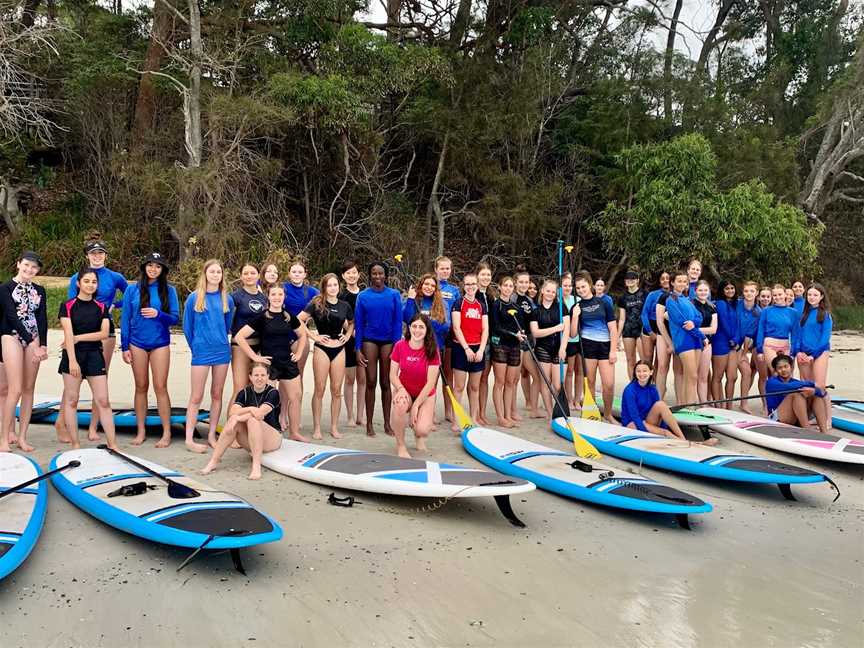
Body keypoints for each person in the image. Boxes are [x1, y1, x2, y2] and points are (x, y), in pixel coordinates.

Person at [57, 239, 128, 443]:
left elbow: (131, 295)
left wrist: (115, 304)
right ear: (87, 255)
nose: (97, 256)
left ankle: (93, 427)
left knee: (100, 381)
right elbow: (71, 307)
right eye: (93, 253)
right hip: (79, 328)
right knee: (74, 380)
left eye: (100, 253)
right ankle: (62, 423)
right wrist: (70, 339)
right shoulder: (76, 278)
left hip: (103, 327)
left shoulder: (115, 277)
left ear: (105, 255)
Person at [234, 283, 308, 441]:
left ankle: (294, 432)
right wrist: (255, 357)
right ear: (268, 296)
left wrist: (300, 352)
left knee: (296, 396)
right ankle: (270, 433)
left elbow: (302, 335)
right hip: (269, 364)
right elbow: (239, 337)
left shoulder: (288, 316)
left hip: (287, 362)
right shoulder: (262, 316)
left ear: (284, 297)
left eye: (280, 295)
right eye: (273, 294)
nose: (277, 298)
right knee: (269, 399)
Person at [120, 252, 180, 447]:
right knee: (140, 386)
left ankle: (166, 432)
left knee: (160, 387)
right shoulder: (132, 290)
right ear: (144, 267)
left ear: (162, 270)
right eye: (150, 265)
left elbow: (174, 318)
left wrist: (158, 314)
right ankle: (141, 430)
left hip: (160, 343)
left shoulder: (169, 290)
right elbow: (125, 319)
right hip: (137, 342)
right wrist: (125, 345)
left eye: (158, 266)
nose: (153, 269)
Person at [182, 259, 234, 453]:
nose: (215, 275)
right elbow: (187, 327)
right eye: (212, 271)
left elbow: (227, 325)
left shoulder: (226, 299)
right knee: (196, 396)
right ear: (205, 274)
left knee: (217, 394)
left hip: (221, 351)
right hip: (201, 352)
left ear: (222, 275)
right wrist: (196, 347)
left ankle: (212, 435)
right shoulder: (195, 297)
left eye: (218, 272)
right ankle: (189, 438)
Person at [201, 362, 284, 480]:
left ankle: (256, 466)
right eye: (256, 375)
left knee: (252, 420)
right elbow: (232, 411)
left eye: (262, 375)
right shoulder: (244, 392)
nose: (259, 378)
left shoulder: (273, 393)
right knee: (237, 420)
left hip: (272, 438)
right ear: (250, 377)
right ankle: (214, 461)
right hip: (252, 439)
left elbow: (260, 413)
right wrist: (249, 409)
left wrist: (238, 417)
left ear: (267, 376)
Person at [0, 252, 48, 453]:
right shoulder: (5, 288)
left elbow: (42, 318)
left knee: (29, 389)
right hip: (11, 336)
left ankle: (22, 437)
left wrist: (42, 344)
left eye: (34, 267)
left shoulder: (40, 290)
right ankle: (4, 439)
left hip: (34, 337)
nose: (29, 270)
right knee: (15, 388)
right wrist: (30, 342)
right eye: (26, 265)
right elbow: (11, 316)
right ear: (18, 264)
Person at [298, 273, 354, 440]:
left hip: (339, 349)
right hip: (322, 348)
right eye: (329, 285)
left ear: (339, 286)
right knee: (320, 389)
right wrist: (313, 336)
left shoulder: (345, 305)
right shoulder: (316, 303)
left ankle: (334, 427)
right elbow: (298, 320)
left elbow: (352, 323)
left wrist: (348, 335)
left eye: (335, 285)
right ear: (324, 287)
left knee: (336, 391)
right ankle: (317, 428)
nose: (332, 288)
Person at [355, 262, 403, 437]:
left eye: (380, 273)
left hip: (389, 341)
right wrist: (357, 348)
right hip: (369, 340)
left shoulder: (394, 295)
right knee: (371, 381)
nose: (377, 276)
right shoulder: (363, 296)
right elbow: (359, 324)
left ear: (386, 275)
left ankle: (387, 424)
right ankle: (369, 424)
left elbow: (398, 322)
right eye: (374, 273)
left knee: (385, 382)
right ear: (370, 275)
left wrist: (398, 347)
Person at [620, 361, 715, 443]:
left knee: (661, 405)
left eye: (644, 371)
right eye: (638, 371)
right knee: (666, 433)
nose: (641, 374)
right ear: (635, 373)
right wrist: (649, 433)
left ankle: (682, 438)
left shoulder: (653, 389)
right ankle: (691, 443)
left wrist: (662, 429)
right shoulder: (630, 390)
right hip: (633, 423)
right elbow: (634, 416)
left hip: (648, 420)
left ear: (651, 372)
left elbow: (661, 412)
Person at [389, 314, 440, 458]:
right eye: (414, 326)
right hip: (404, 390)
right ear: (409, 328)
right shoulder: (400, 345)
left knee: (422, 430)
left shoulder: (432, 349)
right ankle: (401, 446)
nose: (417, 330)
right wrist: (401, 389)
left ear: (427, 330)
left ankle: (418, 436)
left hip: (425, 394)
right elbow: (392, 375)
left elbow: (431, 382)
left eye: (421, 327)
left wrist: (416, 406)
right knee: (400, 404)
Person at [571, 271, 617, 422]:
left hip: (605, 347)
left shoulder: (604, 303)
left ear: (590, 285)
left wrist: (613, 351)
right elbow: (572, 334)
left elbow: (613, 328)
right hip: (587, 347)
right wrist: (575, 316)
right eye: (578, 288)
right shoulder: (576, 307)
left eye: (583, 286)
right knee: (589, 382)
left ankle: (608, 414)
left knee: (608, 384)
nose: (581, 290)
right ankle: (592, 412)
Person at [450, 272, 489, 432]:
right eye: (468, 284)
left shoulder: (481, 305)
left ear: (477, 285)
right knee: (459, 386)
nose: (471, 287)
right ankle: (456, 420)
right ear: (463, 286)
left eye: (473, 284)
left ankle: (473, 418)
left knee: (474, 387)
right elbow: (456, 327)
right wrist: (466, 348)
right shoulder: (458, 303)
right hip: (461, 348)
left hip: (478, 348)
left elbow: (486, 329)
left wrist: (480, 350)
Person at [664, 271, 708, 407]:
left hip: (695, 340)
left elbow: (699, 317)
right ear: (672, 282)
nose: (682, 284)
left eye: (685, 281)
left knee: (691, 377)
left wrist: (694, 323)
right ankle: (690, 406)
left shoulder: (688, 300)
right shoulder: (671, 300)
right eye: (679, 281)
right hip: (683, 340)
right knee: (692, 375)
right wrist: (702, 335)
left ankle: (687, 405)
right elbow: (682, 322)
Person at [528, 279, 568, 422]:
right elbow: (536, 333)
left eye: (553, 291)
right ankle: (551, 414)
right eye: (548, 291)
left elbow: (567, 329)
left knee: (557, 385)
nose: (550, 294)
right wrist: (556, 328)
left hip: (559, 349)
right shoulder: (536, 311)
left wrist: (563, 348)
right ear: (542, 291)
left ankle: (560, 411)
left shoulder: (561, 307)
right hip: (543, 349)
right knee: (545, 383)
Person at [488, 276, 525, 428]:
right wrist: (512, 334)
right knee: (500, 382)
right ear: (500, 287)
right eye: (506, 285)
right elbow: (496, 327)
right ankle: (500, 417)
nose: (508, 288)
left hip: (515, 347)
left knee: (510, 382)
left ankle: (508, 414)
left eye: (511, 286)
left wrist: (520, 334)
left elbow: (520, 327)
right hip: (500, 346)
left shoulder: (517, 308)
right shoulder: (496, 305)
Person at [795, 283, 833, 424]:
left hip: (820, 352)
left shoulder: (825, 315)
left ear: (821, 296)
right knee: (807, 386)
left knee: (819, 386)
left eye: (815, 295)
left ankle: (828, 418)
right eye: (809, 294)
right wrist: (798, 352)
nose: (812, 297)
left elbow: (824, 338)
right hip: (804, 353)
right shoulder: (804, 314)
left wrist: (813, 355)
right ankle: (811, 415)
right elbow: (798, 335)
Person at [283, 259, 318, 405]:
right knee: (282, 376)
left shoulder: (312, 292)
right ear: (289, 274)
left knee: (297, 374)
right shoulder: (282, 288)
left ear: (305, 274)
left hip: (300, 337)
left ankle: (295, 408)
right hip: (282, 335)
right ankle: (282, 412)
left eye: (300, 272)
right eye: (294, 272)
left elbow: (324, 306)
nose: (297, 274)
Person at [766, 354, 829, 433]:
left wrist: (814, 391)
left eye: (786, 366)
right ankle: (807, 429)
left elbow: (822, 394)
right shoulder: (771, 382)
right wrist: (812, 384)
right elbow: (788, 387)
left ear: (791, 367)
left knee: (815, 395)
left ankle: (824, 431)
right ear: (776, 370)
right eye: (780, 368)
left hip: (794, 419)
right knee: (796, 394)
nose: (783, 370)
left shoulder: (797, 382)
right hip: (775, 419)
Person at [230, 263, 267, 395]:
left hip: (259, 346)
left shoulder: (264, 298)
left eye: (252, 273)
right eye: (245, 273)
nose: (249, 276)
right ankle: (233, 416)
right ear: (240, 276)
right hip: (240, 346)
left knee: (254, 389)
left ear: (258, 275)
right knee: (240, 389)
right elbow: (227, 321)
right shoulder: (235, 297)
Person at [339, 260, 365, 427]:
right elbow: (340, 317)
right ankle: (349, 415)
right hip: (348, 339)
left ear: (358, 274)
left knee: (362, 379)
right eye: (348, 273)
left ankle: (360, 415)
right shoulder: (341, 296)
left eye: (354, 272)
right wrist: (351, 330)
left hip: (365, 340)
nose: (351, 275)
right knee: (350, 379)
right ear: (343, 276)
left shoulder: (365, 294)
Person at [435, 256, 460, 424]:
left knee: (448, 376)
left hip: (450, 336)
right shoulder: (430, 285)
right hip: (434, 336)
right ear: (436, 269)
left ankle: (449, 411)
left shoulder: (454, 290)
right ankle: (428, 412)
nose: (445, 271)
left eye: (448, 268)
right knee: (432, 376)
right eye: (442, 268)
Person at [514, 268, 541, 418]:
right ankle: (516, 410)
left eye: (526, 282)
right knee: (515, 378)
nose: (524, 285)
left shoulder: (528, 300)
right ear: (516, 282)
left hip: (529, 341)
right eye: (521, 282)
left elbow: (532, 322)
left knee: (533, 376)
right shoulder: (512, 298)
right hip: (517, 342)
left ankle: (533, 407)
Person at [756, 284, 799, 375]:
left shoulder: (793, 313)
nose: (777, 297)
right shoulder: (766, 311)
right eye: (775, 295)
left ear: (785, 295)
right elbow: (761, 330)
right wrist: (760, 350)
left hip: (786, 346)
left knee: (788, 374)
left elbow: (795, 334)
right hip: (769, 346)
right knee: (776, 373)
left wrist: (793, 352)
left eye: (780, 294)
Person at [710, 280, 740, 407]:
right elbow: (723, 322)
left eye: (732, 288)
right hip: (721, 341)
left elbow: (738, 323)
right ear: (722, 290)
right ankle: (718, 405)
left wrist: (737, 340)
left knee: (732, 377)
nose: (730, 291)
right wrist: (732, 339)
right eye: (727, 288)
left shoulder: (736, 303)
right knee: (718, 376)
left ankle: (729, 405)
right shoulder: (720, 303)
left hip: (733, 342)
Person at [403, 273, 450, 351]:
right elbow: (407, 319)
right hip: (414, 347)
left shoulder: (443, 303)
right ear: (421, 285)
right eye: (426, 284)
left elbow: (445, 326)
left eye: (433, 286)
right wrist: (410, 300)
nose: (429, 287)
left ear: (436, 289)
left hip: (434, 347)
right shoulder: (413, 300)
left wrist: (427, 324)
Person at [735, 281, 763, 414]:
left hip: (741, 347)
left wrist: (744, 353)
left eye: (752, 291)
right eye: (746, 291)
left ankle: (744, 403)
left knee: (746, 372)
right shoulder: (736, 304)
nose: (749, 294)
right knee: (725, 374)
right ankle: (714, 400)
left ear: (756, 293)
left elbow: (750, 336)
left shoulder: (758, 312)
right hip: (728, 343)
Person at [616, 269, 646, 377]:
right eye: (627, 279)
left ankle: (644, 385)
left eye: (632, 278)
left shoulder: (644, 294)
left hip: (642, 330)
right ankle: (633, 385)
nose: (630, 281)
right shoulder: (622, 298)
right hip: (628, 331)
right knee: (630, 360)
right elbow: (622, 319)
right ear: (625, 281)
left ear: (637, 280)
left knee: (644, 360)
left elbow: (646, 313)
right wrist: (617, 336)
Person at [475, 262, 494, 425]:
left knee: (484, 378)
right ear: (477, 276)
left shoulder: (490, 295)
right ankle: (474, 413)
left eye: (488, 275)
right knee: (476, 378)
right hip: (475, 341)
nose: (486, 277)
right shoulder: (473, 294)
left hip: (490, 342)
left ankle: (482, 412)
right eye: (483, 274)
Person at [692, 280, 717, 402]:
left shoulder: (712, 307)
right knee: (693, 375)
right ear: (695, 291)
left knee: (703, 376)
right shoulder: (690, 304)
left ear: (709, 292)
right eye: (700, 290)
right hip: (692, 344)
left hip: (707, 344)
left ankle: (703, 403)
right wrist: (699, 332)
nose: (703, 292)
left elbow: (713, 329)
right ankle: (691, 402)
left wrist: (695, 329)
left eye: (705, 290)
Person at [640, 271, 670, 372]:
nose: (665, 280)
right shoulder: (653, 294)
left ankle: (656, 385)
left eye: (667, 278)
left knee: (660, 361)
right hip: (650, 327)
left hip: (664, 329)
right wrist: (650, 332)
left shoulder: (674, 295)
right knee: (648, 359)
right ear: (659, 281)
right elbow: (644, 314)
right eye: (663, 278)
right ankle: (646, 384)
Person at [561, 272, 582, 409]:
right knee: (569, 371)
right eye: (565, 285)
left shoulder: (578, 299)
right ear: (560, 286)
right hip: (567, 340)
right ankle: (568, 400)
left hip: (580, 339)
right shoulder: (558, 300)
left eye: (570, 285)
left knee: (579, 371)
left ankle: (577, 399)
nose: (567, 288)